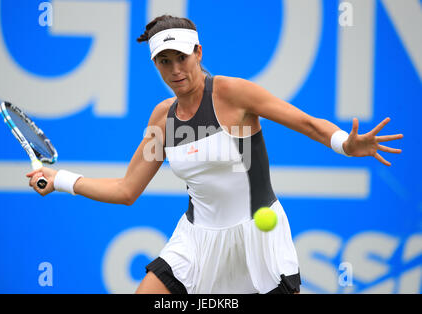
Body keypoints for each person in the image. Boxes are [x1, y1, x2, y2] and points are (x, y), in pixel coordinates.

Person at [26, 15, 403, 294]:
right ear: (155, 64)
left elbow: (306, 123)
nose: (175, 70)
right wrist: (59, 179)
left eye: (181, 58)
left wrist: (345, 144)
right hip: (196, 242)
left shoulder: (233, 94)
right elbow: (127, 190)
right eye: (164, 61)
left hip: (258, 237)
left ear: (198, 53)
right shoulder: (163, 118)